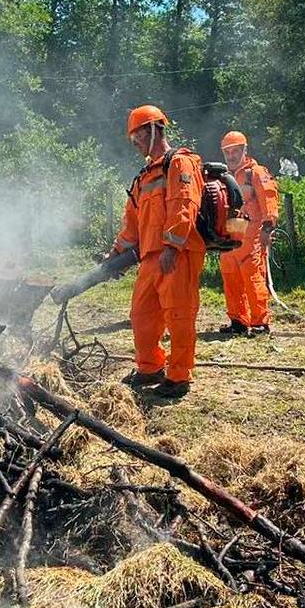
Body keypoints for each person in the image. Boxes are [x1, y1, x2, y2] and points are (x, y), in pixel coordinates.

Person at [109, 105, 206, 398]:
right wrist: (115, 254)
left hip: (177, 255)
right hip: (150, 259)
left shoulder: (179, 164)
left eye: (137, 135)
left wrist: (172, 246)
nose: (135, 142)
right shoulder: (143, 177)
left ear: (154, 129)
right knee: (141, 315)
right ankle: (150, 367)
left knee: (179, 316)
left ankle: (179, 376)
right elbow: (132, 224)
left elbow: (184, 205)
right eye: (131, 138)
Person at [217, 131, 280, 335]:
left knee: (252, 275)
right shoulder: (225, 176)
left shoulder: (256, 173)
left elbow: (269, 199)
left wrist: (267, 228)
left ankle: (260, 322)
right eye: (228, 152)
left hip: (252, 231)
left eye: (235, 151)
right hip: (232, 230)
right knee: (230, 274)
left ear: (245, 150)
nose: (232, 155)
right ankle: (238, 321)